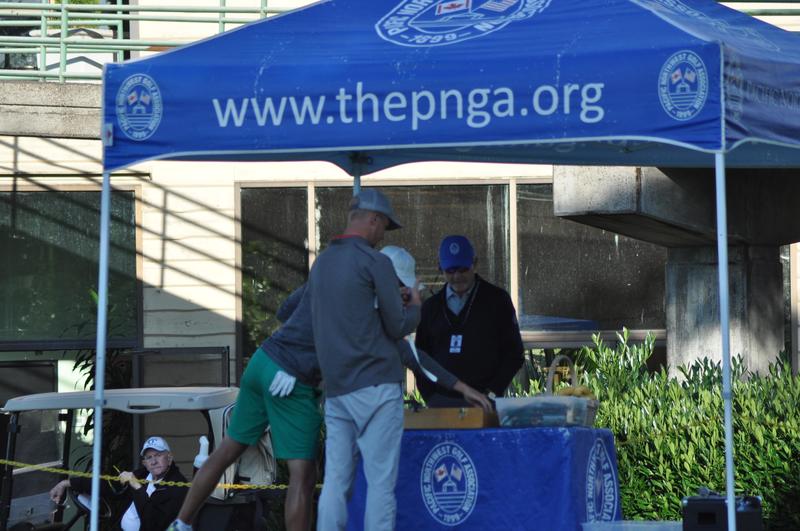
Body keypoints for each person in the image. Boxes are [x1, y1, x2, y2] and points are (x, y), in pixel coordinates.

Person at [308, 188, 420, 531]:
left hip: (337, 390)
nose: (383, 235)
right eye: (384, 225)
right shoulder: (376, 262)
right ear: (373, 220)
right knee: (380, 484)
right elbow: (397, 326)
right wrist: (415, 305)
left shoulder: (321, 263)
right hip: (377, 386)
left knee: (335, 482)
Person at [167, 284, 321, 531]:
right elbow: (341, 341)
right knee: (303, 475)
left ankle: (180, 524)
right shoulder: (360, 284)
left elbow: (286, 310)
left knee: (227, 450)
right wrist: (300, 361)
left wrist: (293, 347)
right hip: (289, 378)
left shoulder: (324, 271)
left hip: (263, 359)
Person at [415, 235, 524, 407]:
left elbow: (514, 353)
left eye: (463, 269)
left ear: (475, 263)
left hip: (485, 401)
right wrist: (430, 396)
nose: (457, 276)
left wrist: (492, 392)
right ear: (440, 268)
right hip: (441, 402)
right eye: (450, 271)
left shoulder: (497, 300)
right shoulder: (430, 307)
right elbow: (420, 357)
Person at [50, 436, 188, 531]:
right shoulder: (142, 474)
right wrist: (67, 483)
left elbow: (154, 524)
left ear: (169, 458)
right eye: (149, 457)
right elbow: (109, 485)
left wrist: (137, 487)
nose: (153, 461)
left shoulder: (178, 486)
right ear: (144, 463)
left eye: (158, 455)